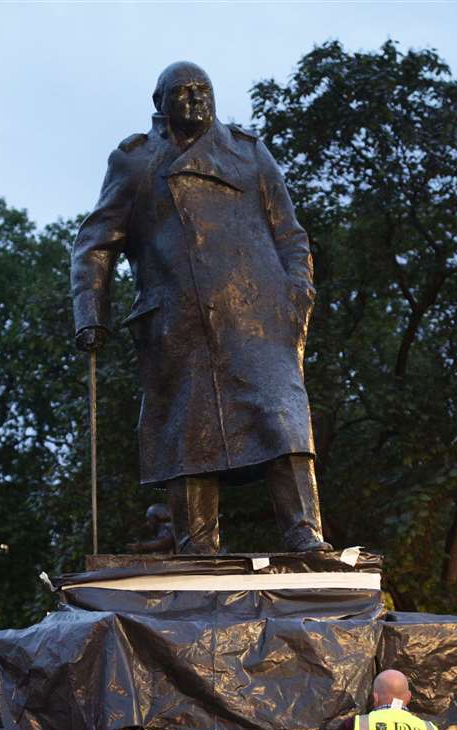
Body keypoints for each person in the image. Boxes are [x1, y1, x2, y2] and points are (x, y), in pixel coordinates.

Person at [71, 61, 330, 555]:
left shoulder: (249, 153)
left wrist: (297, 293)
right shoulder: (136, 161)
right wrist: (91, 313)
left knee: (283, 419)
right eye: (184, 92)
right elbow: (96, 243)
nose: (196, 99)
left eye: (203, 90)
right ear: (160, 102)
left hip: (258, 317)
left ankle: (305, 534)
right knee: (187, 437)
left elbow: (290, 234)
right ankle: (197, 547)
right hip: (177, 321)